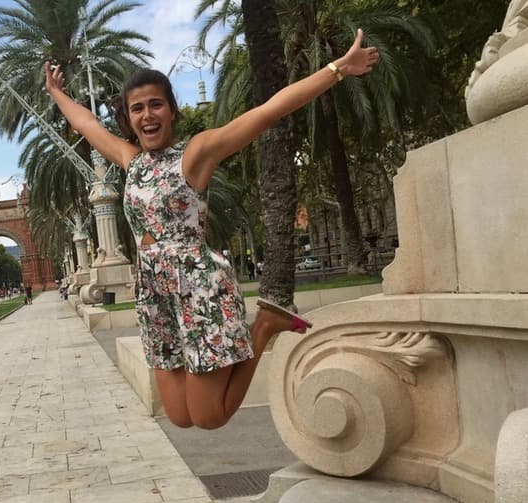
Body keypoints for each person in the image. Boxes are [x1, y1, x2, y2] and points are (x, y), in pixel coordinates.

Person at [44, 31, 378, 429]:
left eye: (156, 105)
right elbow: (85, 123)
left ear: (171, 110)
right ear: (129, 119)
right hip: (155, 296)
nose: (147, 115)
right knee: (180, 416)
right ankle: (261, 326)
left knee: (209, 417)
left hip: (199, 290)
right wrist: (56, 94)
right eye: (137, 109)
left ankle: (268, 323)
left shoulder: (197, 152)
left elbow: (268, 111)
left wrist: (338, 68)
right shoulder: (130, 159)